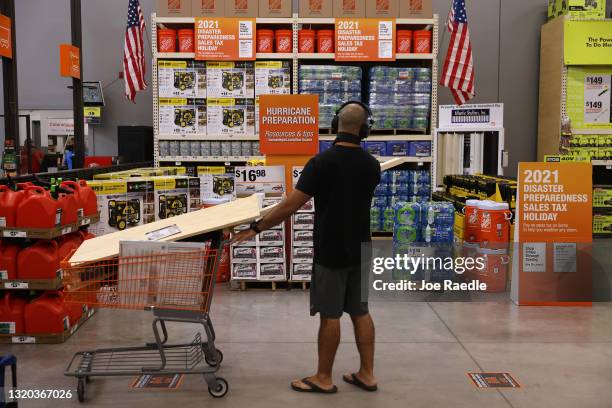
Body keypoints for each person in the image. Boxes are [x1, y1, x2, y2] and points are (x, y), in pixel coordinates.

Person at [232, 101, 381, 394]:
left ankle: (323, 378)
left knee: (330, 314)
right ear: (365, 130)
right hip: (361, 248)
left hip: (331, 249)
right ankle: (367, 374)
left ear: (335, 123)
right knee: (360, 311)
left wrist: (256, 228)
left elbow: (290, 205)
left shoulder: (321, 163)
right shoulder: (372, 165)